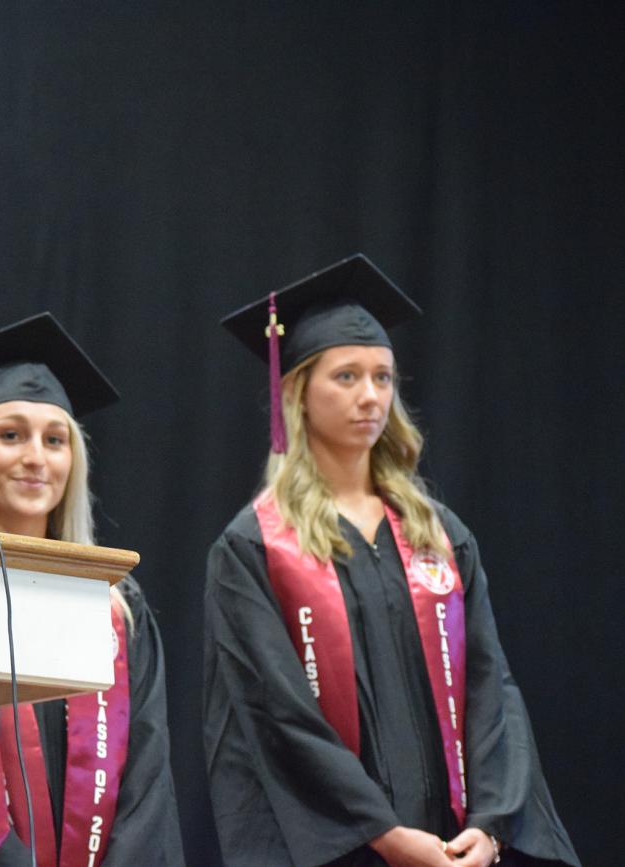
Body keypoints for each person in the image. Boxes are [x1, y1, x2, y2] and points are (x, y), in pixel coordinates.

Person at [205, 255, 580, 866]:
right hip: (342, 845)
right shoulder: (256, 546)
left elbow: (490, 683)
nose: (370, 396)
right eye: (346, 377)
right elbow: (274, 710)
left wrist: (489, 823)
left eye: (383, 377)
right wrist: (382, 833)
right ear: (296, 392)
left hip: (455, 840)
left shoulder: (436, 531)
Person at [0, 313, 185, 867]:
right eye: (11, 435)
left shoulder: (116, 607)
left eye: (54, 440)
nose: (36, 457)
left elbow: (148, 778)